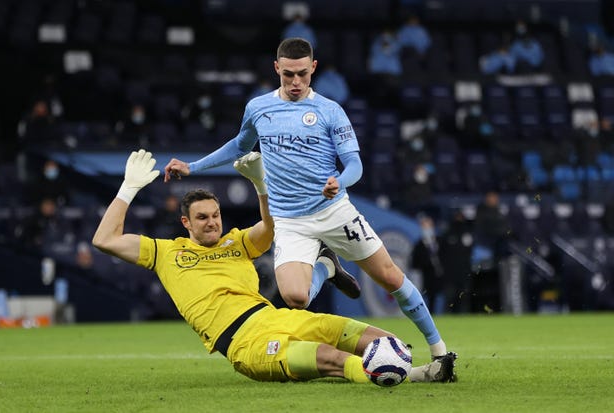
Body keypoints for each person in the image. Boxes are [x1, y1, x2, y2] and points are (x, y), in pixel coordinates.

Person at [163, 38, 455, 362]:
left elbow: (355, 165)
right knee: (295, 298)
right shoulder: (258, 108)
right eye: (288, 74)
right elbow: (239, 145)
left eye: (302, 73)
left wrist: (338, 182)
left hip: (333, 211)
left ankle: (439, 350)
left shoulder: (330, 111)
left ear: (313, 68)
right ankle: (327, 267)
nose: (295, 82)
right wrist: (193, 166)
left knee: (390, 276)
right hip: (289, 220)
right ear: (277, 68)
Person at [93, 149, 457, 383]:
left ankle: (418, 367)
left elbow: (269, 227)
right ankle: (418, 376)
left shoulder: (236, 242)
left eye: (216, 215)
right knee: (330, 359)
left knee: (380, 339)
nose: (212, 222)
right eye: (202, 217)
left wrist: (260, 184)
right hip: (245, 341)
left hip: (278, 317)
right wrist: (128, 189)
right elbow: (105, 239)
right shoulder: (165, 252)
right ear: (186, 223)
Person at [410, 214, 445, 315]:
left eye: (428, 226)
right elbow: (415, 263)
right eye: (424, 226)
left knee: (439, 295)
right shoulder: (419, 245)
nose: (427, 229)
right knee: (425, 296)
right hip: (425, 274)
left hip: (439, 275)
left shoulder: (440, 241)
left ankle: (442, 313)